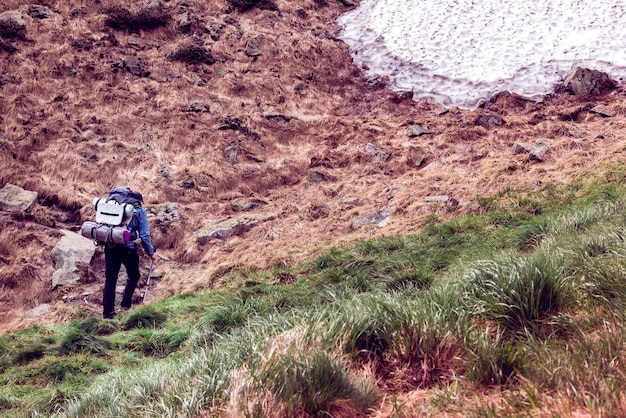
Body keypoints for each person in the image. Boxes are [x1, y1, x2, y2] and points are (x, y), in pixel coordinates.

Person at [102, 189, 157, 319]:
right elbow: (144, 234)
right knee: (134, 275)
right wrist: (150, 252)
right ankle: (125, 306)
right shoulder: (139, 211)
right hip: (128, 249)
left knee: (110, 280)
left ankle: (108, 314)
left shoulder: (112, 206)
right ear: (138, 201)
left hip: (110, 246)